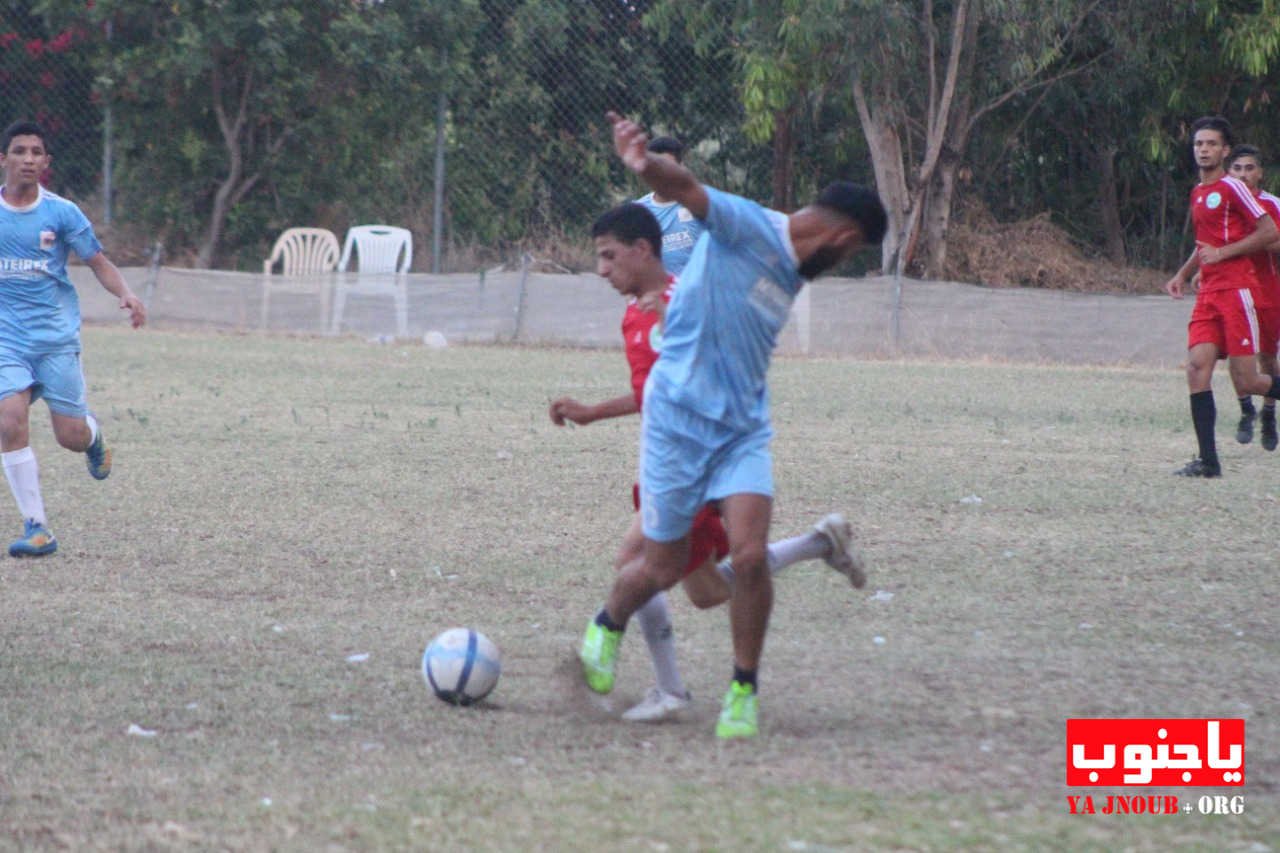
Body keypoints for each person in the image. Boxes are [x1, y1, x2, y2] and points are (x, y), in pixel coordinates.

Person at [578, 111, 887, 739]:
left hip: (742, 427)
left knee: (747, 560)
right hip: (676, 426)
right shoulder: (752, 225)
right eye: (853, 251)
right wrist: (645, 165)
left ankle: (742, 690)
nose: (847, 261)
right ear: (843, 233)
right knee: (663, 570)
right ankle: (606, 626)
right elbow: (686, 188)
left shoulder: (794, 272)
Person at [0, 120, 146, 556]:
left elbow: (97, 261)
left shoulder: (62, 212)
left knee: (71, 436)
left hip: (55, 340)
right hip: (6, 339)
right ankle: (37, 527)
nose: (28, 158)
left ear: (46, 162)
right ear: (3, 159)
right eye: (19, 150)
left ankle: (94, 436)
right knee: (8, 420)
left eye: (36, 152)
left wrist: (127, 293)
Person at [1163, 116, 1280, 478]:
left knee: (1247, 381)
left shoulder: (1233, 188)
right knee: (1197, 367)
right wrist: (1183, 274)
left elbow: (1269, 231)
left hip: (1238, 291)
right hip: (1209, 293)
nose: (1204, 150)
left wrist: (1224, 255)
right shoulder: (1197, 192)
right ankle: (1208, 462)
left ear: (1224, 150)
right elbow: (1206, 245)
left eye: (1211, 144)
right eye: (1199, 144)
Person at [1226, 144, 1280, 451]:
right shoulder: (1223, 202)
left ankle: (1269, 413)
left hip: (1267, 290)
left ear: (1260, 173)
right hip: (1232, 290)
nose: (1244, 175)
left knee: (1268, 357)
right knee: (1237, 356)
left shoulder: (1271, 205)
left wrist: (1250, 242)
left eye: (1249, 168)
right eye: (1238, 169)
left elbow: (1274, 240)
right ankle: (1246, 409)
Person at [635, 136, 706, 276]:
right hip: (661, 295)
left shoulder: (701, 203)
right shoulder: (638, 212)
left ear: (681, 167)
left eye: (668, 167)